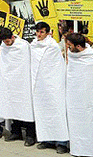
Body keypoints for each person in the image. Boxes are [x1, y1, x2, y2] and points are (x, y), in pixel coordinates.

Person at [31, 22, 69, 154]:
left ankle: (61, 142)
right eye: (37, 32)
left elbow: (55, 66)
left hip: (53, 84)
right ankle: (46, 140)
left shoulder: (52, 46)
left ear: (47, 33)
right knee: (43, 112)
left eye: (41, 32)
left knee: (57, 110)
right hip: (40, 85)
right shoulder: (33, 45)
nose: (39, 34)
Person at [0, 28, 36, 146]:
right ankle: (16, 132)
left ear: (13, 37)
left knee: (26, 107)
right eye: (4, 42)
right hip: (9, 83)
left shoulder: (23, 46)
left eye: (8, 41)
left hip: (23, 81)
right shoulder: (3, 47)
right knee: (12, 106)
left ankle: (30, 135)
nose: (6, 44)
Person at [65, 32, 93, 157]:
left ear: (78, 46)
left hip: (89, 100)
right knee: (76, 123)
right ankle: (77, 149)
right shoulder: (72, 56)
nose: (68, 47)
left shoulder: (92, 58)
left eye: (69, 45)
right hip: (74, 100)